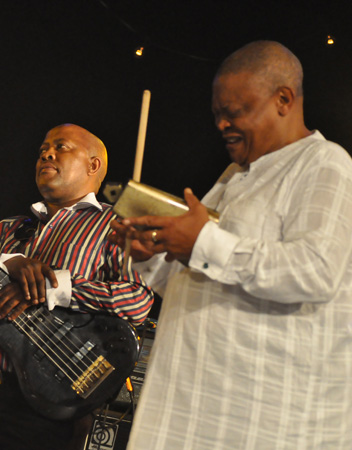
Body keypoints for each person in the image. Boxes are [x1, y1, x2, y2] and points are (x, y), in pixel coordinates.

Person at [109, 40, 352, 449]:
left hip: (267, 421)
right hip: (194, 410)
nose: (222, 125)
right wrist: (153, 254)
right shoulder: (233, 177)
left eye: (234, 112)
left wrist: (202, 240)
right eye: (217, 114)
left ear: (284, 100)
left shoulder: (326, 163)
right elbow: (197, 281)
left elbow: (315, 271)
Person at [0, 123, 154, 450]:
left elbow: (137, 300)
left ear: (93, 165)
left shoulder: (114, 225)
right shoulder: (7, 231)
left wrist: (53, 287)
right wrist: (4, 263)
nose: (47, 153)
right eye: (43, 148)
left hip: (53, 398)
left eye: (61, 146)